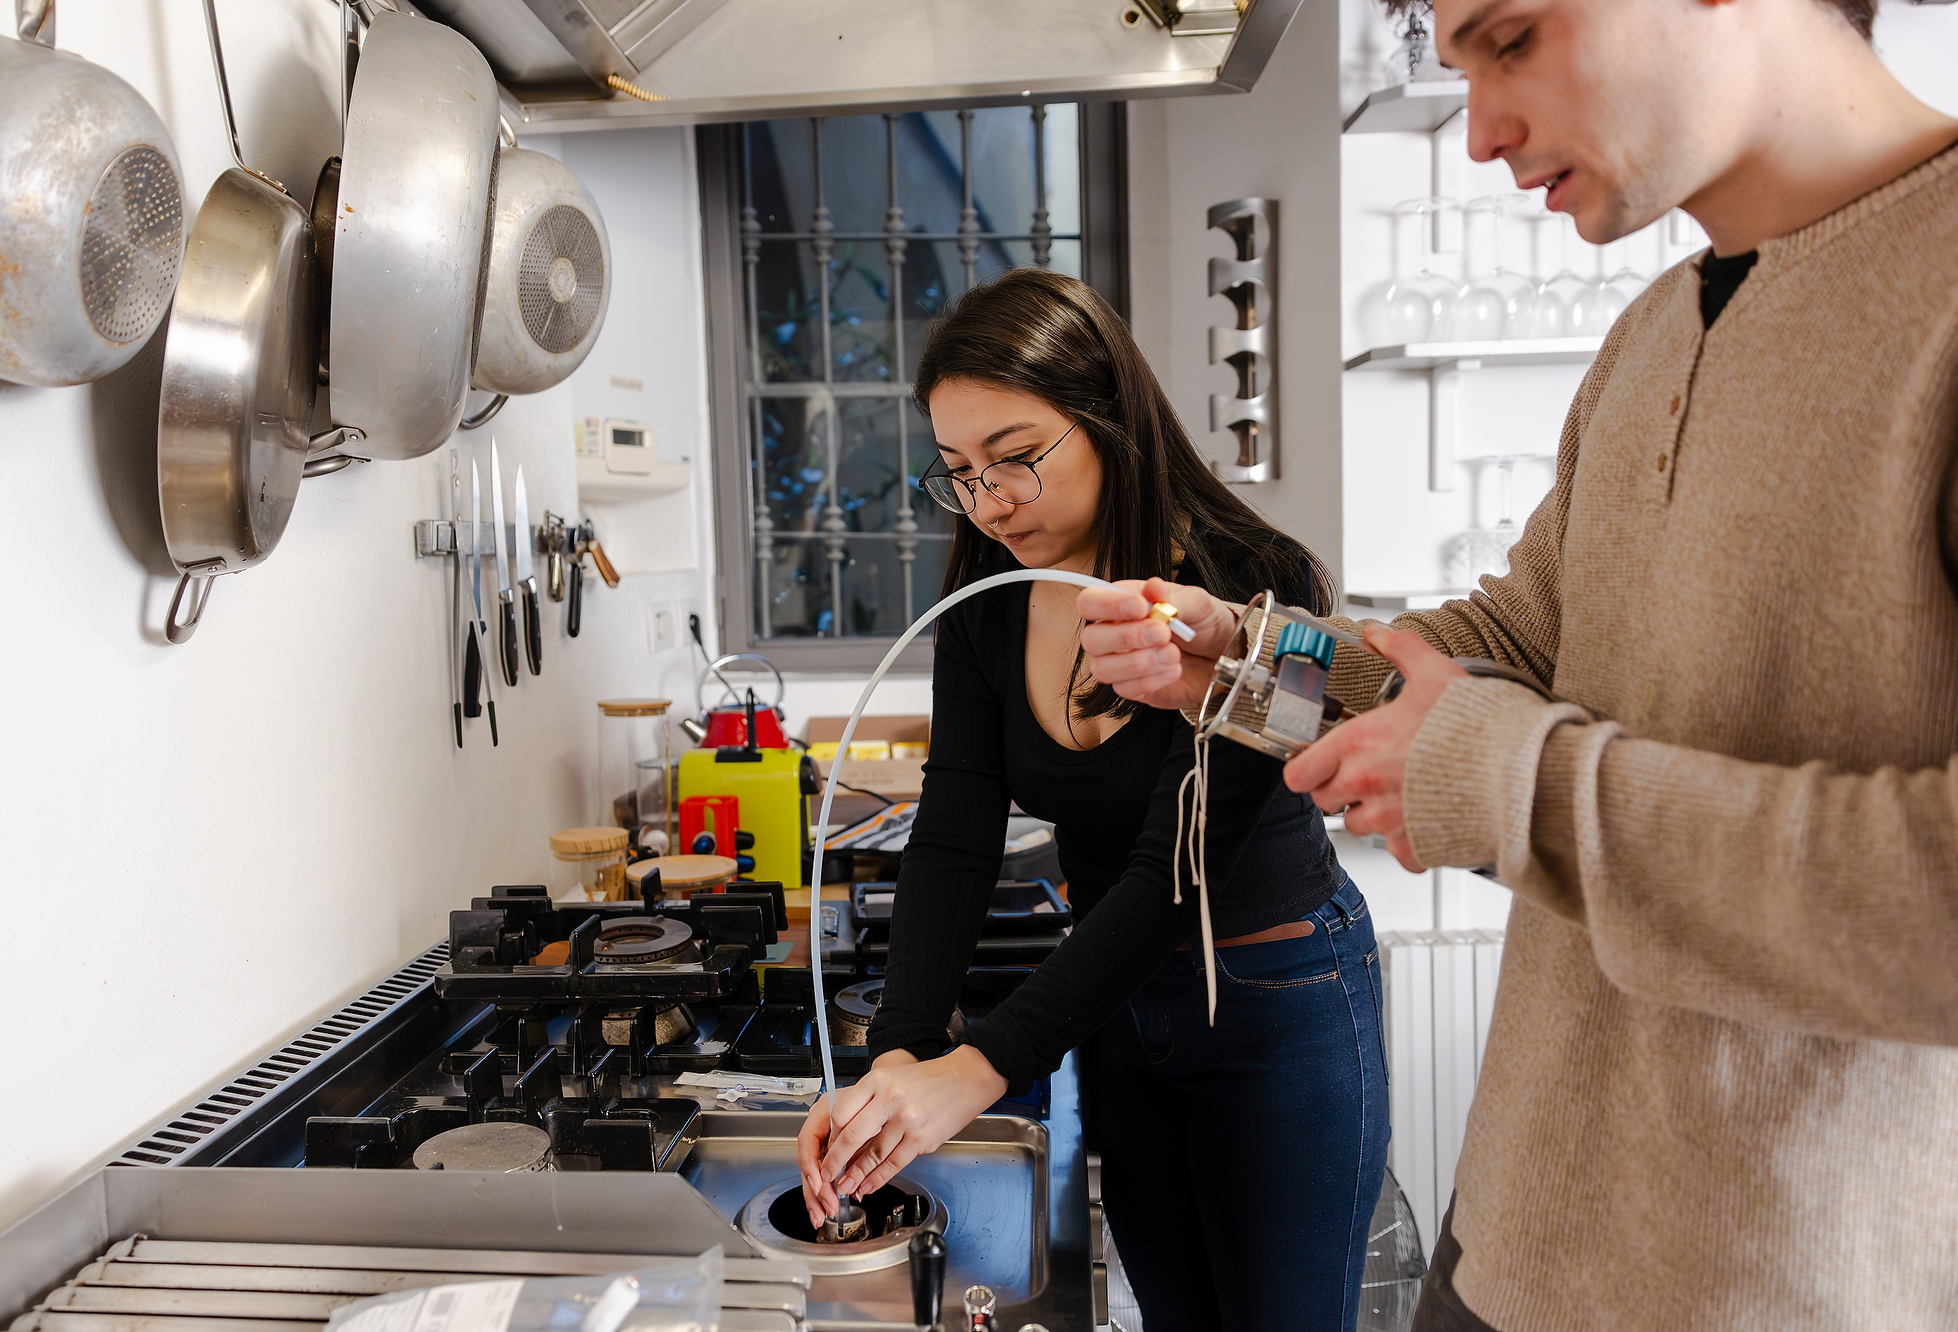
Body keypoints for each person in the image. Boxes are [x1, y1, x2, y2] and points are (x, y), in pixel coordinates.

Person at [1078, 0, 1958, 1328]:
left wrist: (1509, 783)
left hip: (1781, 1286)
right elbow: (1515, 648)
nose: (1482, 131)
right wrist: (1249, 669)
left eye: (1513, 37)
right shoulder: (1657, 329)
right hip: (1516, 1246)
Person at [793, 267, 1389, 1329]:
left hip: (1276, 1004)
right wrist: (897, 1056)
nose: (987, 501)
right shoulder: (987, 611)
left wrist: (977, 1068)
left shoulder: (1256, 587)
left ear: (1106, 418)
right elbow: (951, 840)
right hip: (1116, 1007)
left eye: (1016, 458)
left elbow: (1176, 869)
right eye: (958, 472)